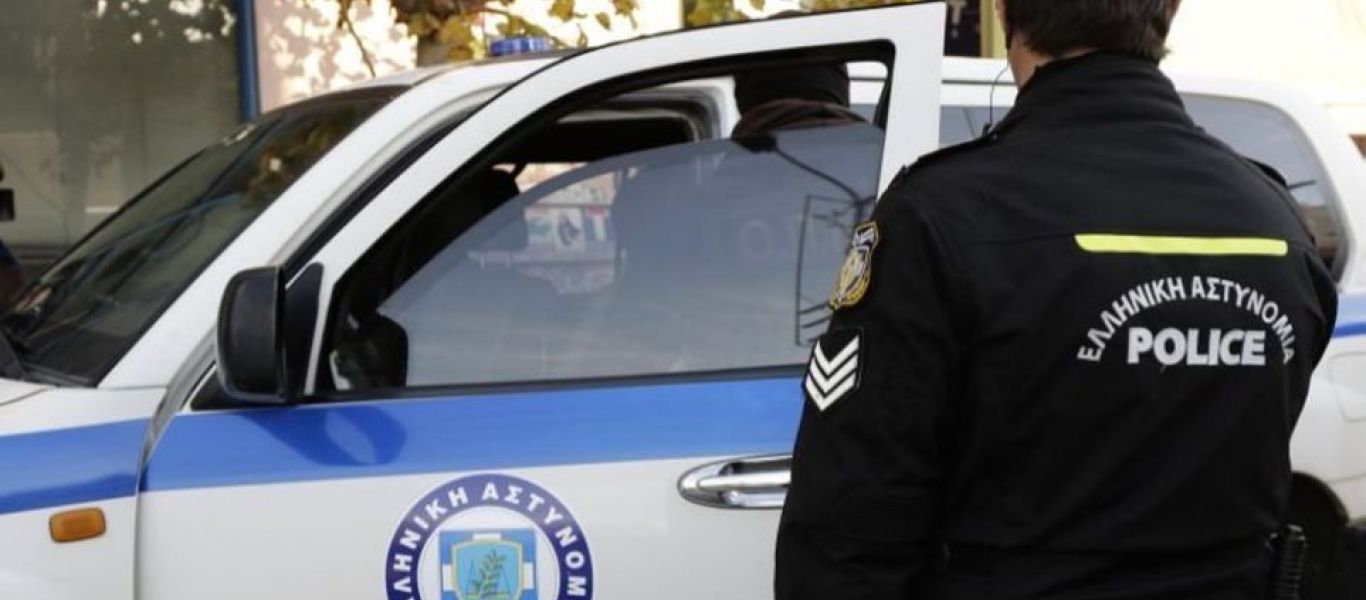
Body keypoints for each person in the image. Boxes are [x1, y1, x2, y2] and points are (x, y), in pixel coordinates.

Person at [774, 1, 1339, 599]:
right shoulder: (1275, 219)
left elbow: (846, 529)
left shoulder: (941, 214)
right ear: (1169, 10)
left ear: (1003, 11)